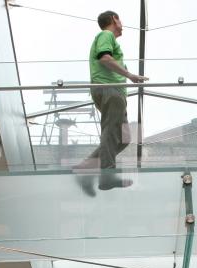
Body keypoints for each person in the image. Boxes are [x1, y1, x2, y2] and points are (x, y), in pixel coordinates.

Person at [74, 11, 148, 193]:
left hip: (114, 93)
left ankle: (86, 167)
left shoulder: (108, 38)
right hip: (109, 89)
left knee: (124, 139)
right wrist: (129, 75)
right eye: (120, 19)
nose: (121, 23)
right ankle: (107, 174)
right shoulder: (106, 35)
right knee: (110, 130)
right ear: (114, 19)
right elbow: (105, 57)